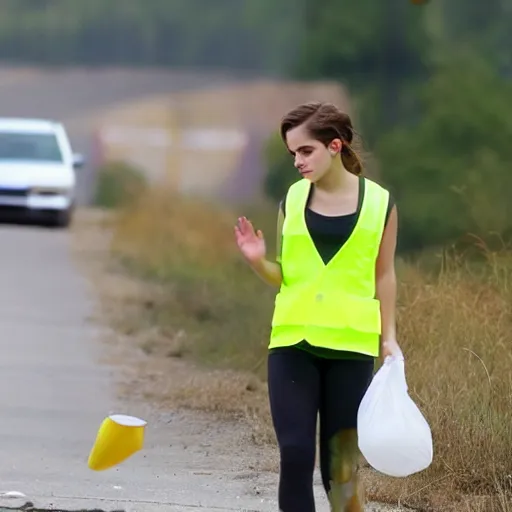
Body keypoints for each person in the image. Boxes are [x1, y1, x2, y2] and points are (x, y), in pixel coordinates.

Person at [234, 101, 401, 512]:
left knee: (340, 470)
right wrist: (258, 261)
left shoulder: (381, 205)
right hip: (293, 343)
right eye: (293, 153)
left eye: (305, 151)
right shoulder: (292, 200)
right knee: (294, 454)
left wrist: (390, 337)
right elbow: (284, 275)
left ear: (334, 145)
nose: (297, 161)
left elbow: (384, 275)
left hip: (352, 349)